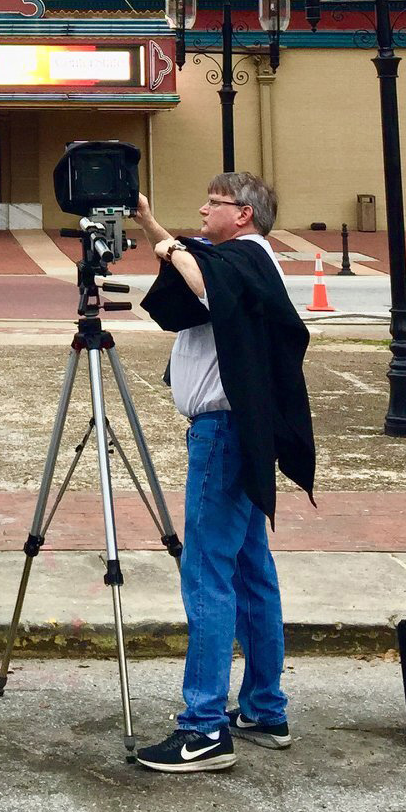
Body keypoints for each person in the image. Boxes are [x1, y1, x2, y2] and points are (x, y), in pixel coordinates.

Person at [129, 172, 316, 774]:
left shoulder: (246, 259)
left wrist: (171, 245)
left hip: (224, 436)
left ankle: (203, 728)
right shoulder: (241, 261)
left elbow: (209, 280)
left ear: (244, 215)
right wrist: (154, 230)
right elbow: (201, 280)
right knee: (251, 571)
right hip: (242, 435)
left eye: (214, 203)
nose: (203, 210)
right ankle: (264, 706)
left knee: (206, 573)